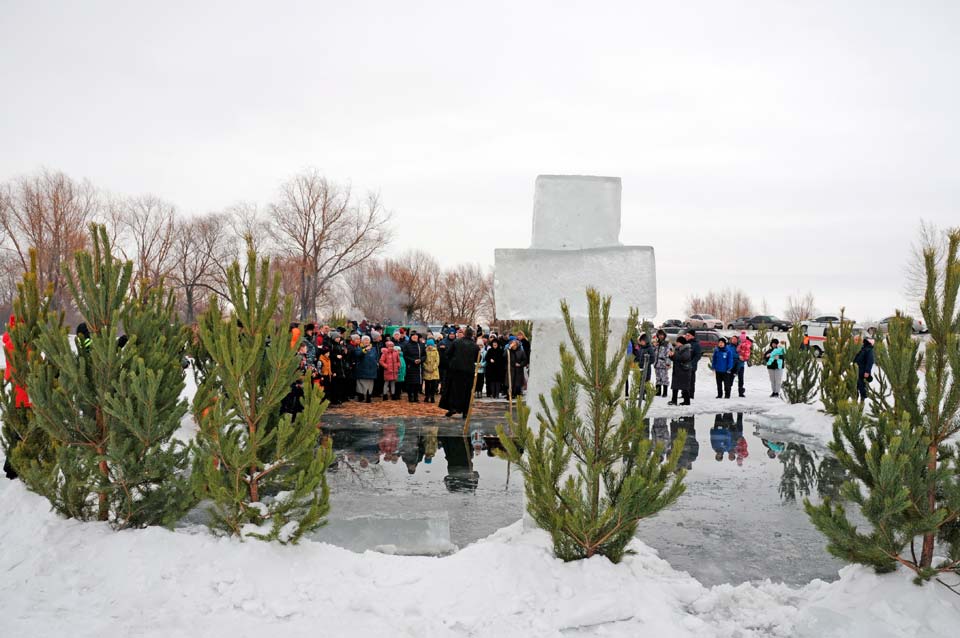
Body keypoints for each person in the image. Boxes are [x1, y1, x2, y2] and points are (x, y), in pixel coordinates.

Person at [440, 327, 480, 418]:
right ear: (472, 335)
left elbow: (448, 354)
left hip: (456, 371)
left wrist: (453, 361)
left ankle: (453, 408)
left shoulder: (456, 342)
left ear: (465, 333)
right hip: (468, 372)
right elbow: (478, 359)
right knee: (466, 392)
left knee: (454, 390)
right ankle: (465, 411)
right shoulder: (475, 346)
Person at [353, 335, 379, 403]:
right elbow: (358, 354)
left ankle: (368, 397)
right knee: (361, 384)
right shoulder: (359, 348)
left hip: (371, 370)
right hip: (362, 369)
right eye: (365, 340)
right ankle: (361, 397)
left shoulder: (373, 349)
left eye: (368, 340)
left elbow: (376, 357)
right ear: (362, 341)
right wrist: (365, 350)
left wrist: (376, 363)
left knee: (370, 385)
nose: (366, 341)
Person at [668, 335, 693, 405]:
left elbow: (684, 358)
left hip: (684, 371)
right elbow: (676, 359)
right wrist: (671, 356)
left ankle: (687, 401)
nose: (676, 343)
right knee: (675, 387)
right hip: (677, 371)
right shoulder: (677, 349)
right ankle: (674, 400)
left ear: (681, 343)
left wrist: (674, 355)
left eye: (678, 342)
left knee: (684, 387)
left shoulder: (687, 349)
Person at [401, 332, 425, 402]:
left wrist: (421, 360)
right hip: (410, 366)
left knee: (417, 383)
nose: (415, 337)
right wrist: (413, 360)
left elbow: (424, 355)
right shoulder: (407, 345)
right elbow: (405, 356)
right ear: (411, 337)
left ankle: (416, 397)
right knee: (410, 383)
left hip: (419, 367)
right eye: (413, 336)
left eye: (416, 336)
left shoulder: (421, 345)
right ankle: (410, 396)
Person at [853, 336, 875, 402]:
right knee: (854, 387)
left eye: (857, 340)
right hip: (855, 371)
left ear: (862, 341)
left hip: (863, 372)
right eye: (855, 340)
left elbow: (870, 361)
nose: (855, 341)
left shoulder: (868, 349)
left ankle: (862, 402)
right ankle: (855, 401)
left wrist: (867, 371)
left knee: (862, 387)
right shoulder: (855, 348)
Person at [683, 329, 702, 399]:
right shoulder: (684, 343)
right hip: (683, 365)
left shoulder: (696, 344)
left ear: (692, 336)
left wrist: (691, 363)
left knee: (691, 381)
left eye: (688, 335)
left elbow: (698, 355)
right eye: (686, 335)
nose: (686, 336)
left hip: (691, 366)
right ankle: (684, 394)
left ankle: (691, 394)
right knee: (684, 380)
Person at [653, 330, 672, 398]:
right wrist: (654, 346)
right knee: (658, 378)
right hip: (657, 363)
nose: (660, 336)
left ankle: (665, 392)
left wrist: (668, 363)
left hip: (663, 363)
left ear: (664, 335)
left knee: (664, 378)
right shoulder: (657, 343)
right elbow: (653, 352)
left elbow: (669, 354)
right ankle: (658, 392)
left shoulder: (667, 343)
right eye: (659, 335)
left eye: (662, 335)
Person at [423, 338, 440, 403]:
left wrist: (433, 368)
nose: (430, 346)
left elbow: (437, 361)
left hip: (434, 371)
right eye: (428, 345)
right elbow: (423, 360)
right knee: (427, 385)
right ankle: (427, 396)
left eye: (431, 345)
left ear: (433, 345)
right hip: (427, 371)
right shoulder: (425, 351)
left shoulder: (436, 352)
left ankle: (432, 397)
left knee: (433, 385)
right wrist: (426, 368)